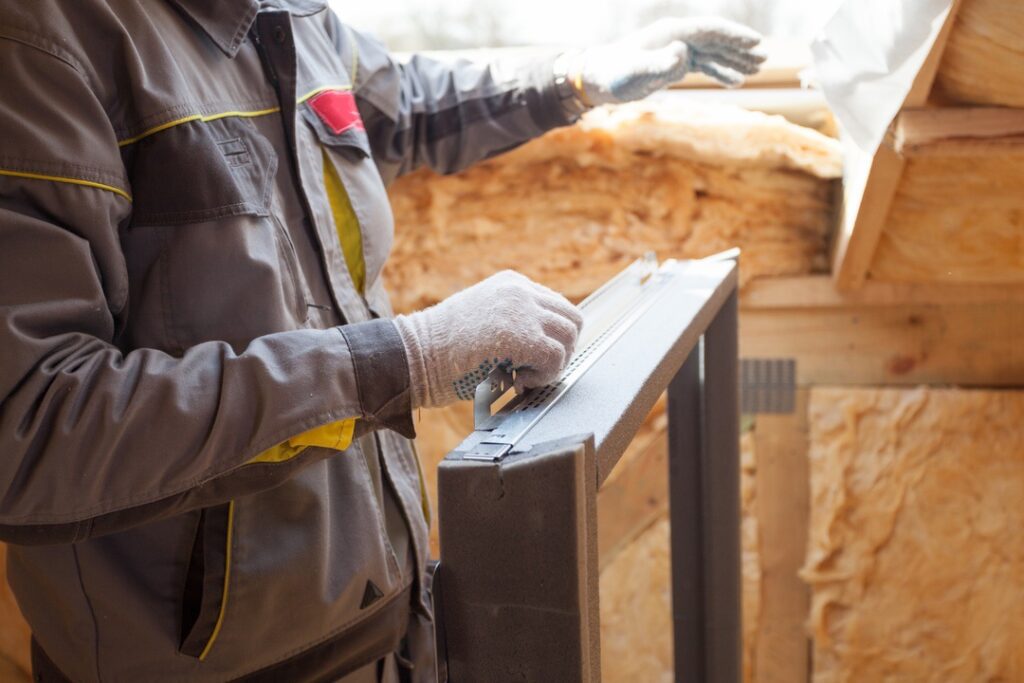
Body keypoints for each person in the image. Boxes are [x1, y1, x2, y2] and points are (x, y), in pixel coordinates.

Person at [0, 1, 763, 680]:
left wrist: (574, 77)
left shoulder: (292, 17)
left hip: (387, 620)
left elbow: (407, 106)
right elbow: (30, 432)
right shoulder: (44, 42)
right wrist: (402, 359)